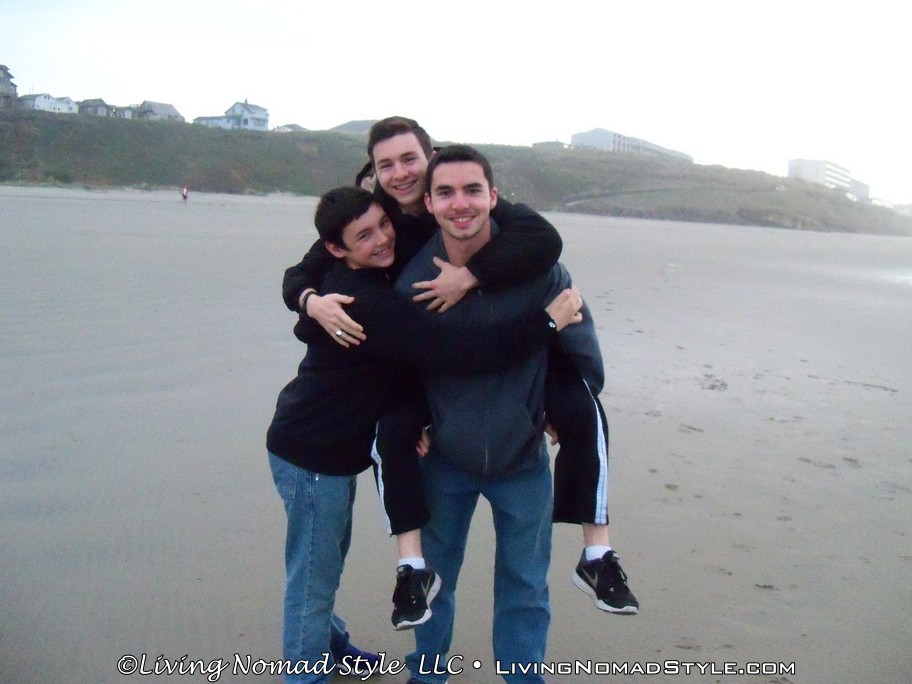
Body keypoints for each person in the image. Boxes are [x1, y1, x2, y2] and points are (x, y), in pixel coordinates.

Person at [285, 117, 638, 621]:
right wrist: (309, 300)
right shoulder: (378, 217)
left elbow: (544, 239)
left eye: (410, 159)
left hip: (511, 419)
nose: (400, 173)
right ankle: (411, 571)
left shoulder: (481, 209)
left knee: (582, 405)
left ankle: (597, 551)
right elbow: (311, 267)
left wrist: (471, 276)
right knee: (394, 428)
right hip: (431, 389)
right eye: (387, 164)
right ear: (377, 173)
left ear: (432, 159)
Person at [266, 186, 583, 684]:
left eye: (383, 225)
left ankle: (332, 644)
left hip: (337, 447)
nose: (382, 239)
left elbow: (537, 236)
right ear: (337, 249)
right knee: (314, 575)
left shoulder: (374, 270)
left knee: (326, 560)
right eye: (364, 236)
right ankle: (306, 674)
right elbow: (458, 352)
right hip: (312, 451)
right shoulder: (367, 300)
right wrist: (546, 323)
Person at [397, 145, 607, 683]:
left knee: (525, 586)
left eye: (473, 190)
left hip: (523, 457)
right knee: (433, 584)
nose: (460, 204)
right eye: (446, 192)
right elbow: (402, 367)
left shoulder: (540, 269)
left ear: (493, 197)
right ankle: (427, 674)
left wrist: (563, 406)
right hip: (445, 458)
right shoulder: (415, 282)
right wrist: (413, 418)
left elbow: (581, 348)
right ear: (429, 202)